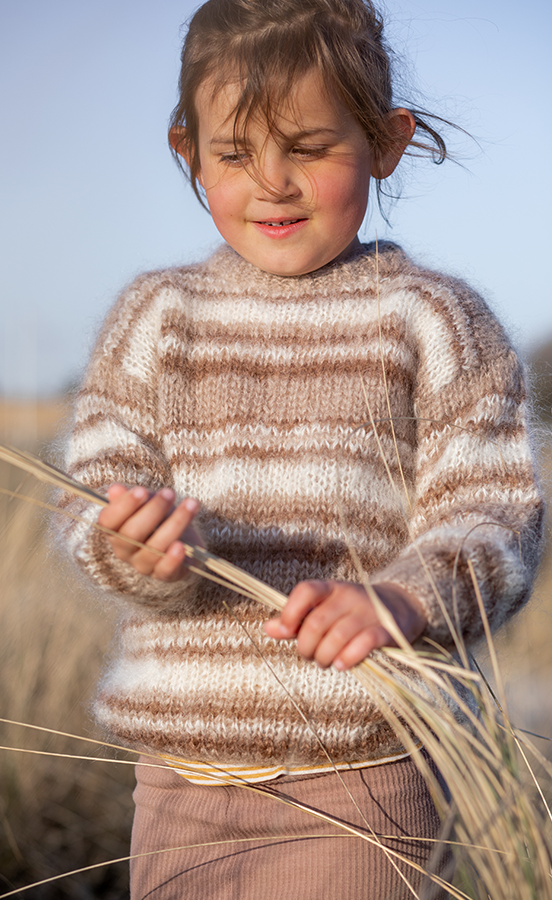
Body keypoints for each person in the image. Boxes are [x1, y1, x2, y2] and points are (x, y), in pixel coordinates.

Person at [59, 0, 544, 897]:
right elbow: (92, 495)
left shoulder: (435, 320)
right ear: (188, 152)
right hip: (179, 786)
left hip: (370, 773)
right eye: (234, 154)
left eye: (309, 148)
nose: (272, 182)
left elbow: (496, 517)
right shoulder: (156, 317)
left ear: (386, 142)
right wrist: (133, 544)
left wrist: (405, 598)